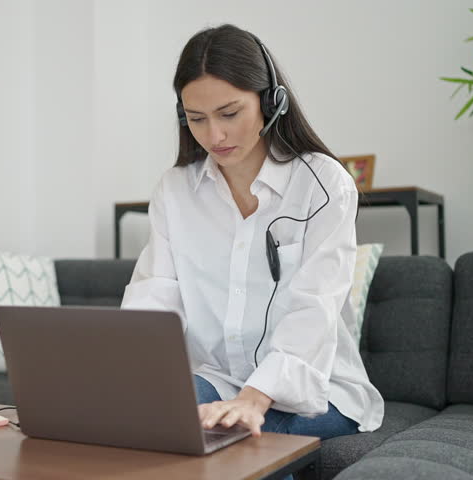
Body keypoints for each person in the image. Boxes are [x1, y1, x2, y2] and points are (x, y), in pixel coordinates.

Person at [120, 24, 384, 440]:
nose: (214, 136)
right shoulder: (174, 191)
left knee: (231, 436)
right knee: (146, 419)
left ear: (271, 102)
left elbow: (313, 310)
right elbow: (155, 297)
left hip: (317, 390)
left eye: (229, 114)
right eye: (196, 119)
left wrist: (255, 397)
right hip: (217, 380)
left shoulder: (323, 184)